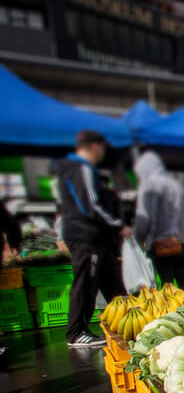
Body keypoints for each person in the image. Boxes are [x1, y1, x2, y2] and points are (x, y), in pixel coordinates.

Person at [54, 130, 130, 347]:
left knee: (113, 284)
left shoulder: (79, 169)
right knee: (86, 282)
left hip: (98, 239)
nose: (103, 152)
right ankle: (76, 333)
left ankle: (126, 324)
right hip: (86, 236)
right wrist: (117, 225)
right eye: (102, 148)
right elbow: (90, 205)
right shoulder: (80, 169)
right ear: (95, 146)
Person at [134, 151, 184, 288]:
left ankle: (175, 308)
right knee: (183, 280)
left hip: (160, 243)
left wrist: (138, 238)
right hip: (180, 241)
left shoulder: (148, 186)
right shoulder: (176, 186)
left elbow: (145, 216)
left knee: (167, 283)